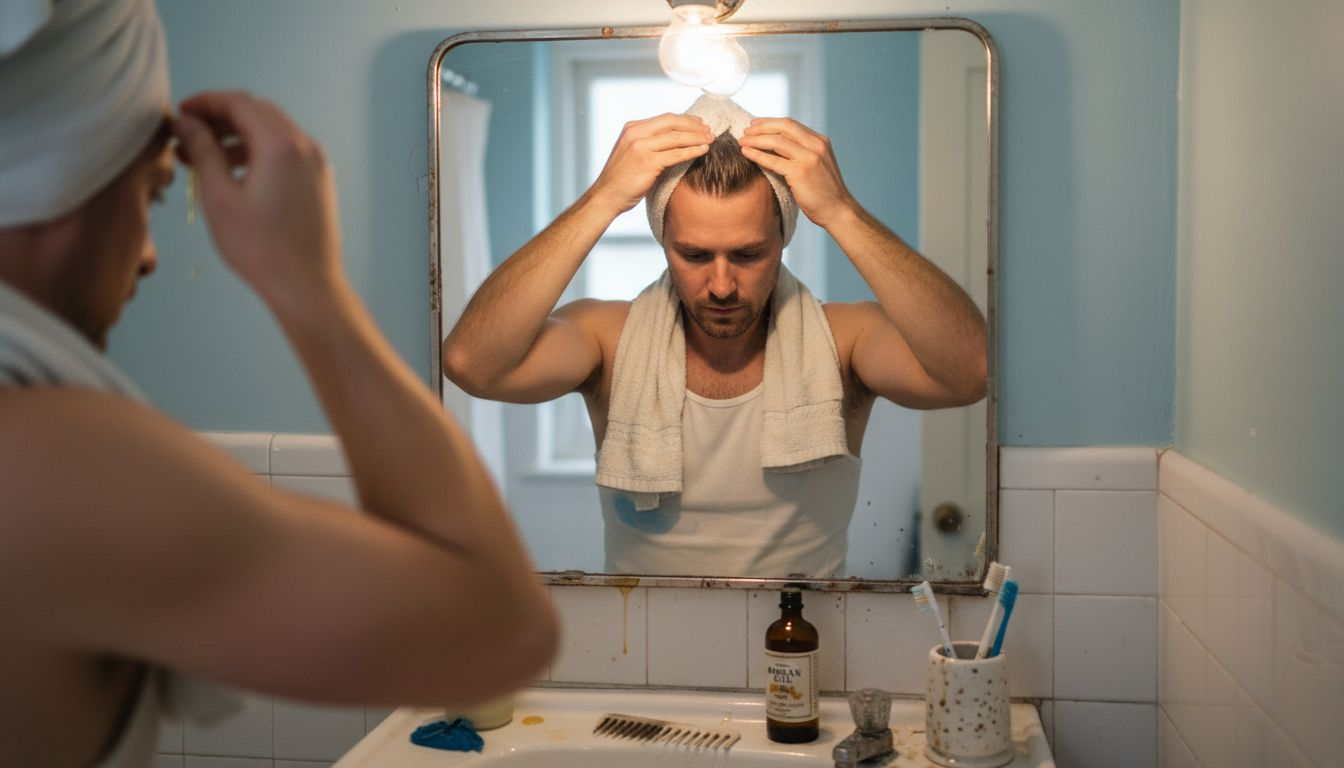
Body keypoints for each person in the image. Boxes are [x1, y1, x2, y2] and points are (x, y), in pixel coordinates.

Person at [0, 2, 557, 766]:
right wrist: (307, 281)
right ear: (59, 178)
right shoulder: (47, 465)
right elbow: (496, 637)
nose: (150, 255)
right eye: (151, 195)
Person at [442, 95, 987, 578]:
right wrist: (602, 199)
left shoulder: (843, 341)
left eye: (748, 254)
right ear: (663, 240)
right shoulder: (609, 340)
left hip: (802, 645)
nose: (722, 285)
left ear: (782, 240)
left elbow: (971, 372)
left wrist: (841, 212)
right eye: (694, 254)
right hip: (640, 646)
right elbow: (472, 363)